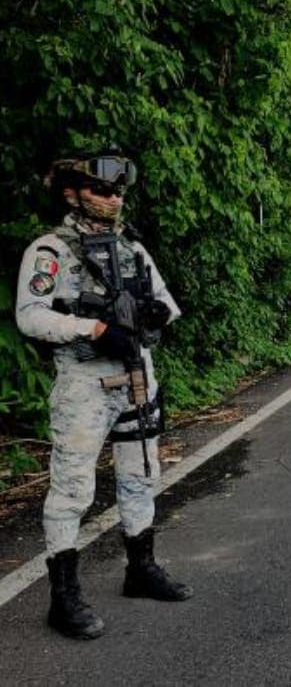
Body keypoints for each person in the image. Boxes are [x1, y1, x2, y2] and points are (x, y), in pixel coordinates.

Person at [15, 149, 192, 640]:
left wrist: (157, 313)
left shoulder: (132, 248)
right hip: (85, 385)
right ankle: (64, 597)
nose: (113, 199)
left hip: (136, 377)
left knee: (141, 475)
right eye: (101, 190)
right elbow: (30, 315)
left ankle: (141, 569)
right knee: (73, 488)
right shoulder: (50, 251)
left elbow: (168, 303)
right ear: (72, 193)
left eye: (118, 192)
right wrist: (92, 328)